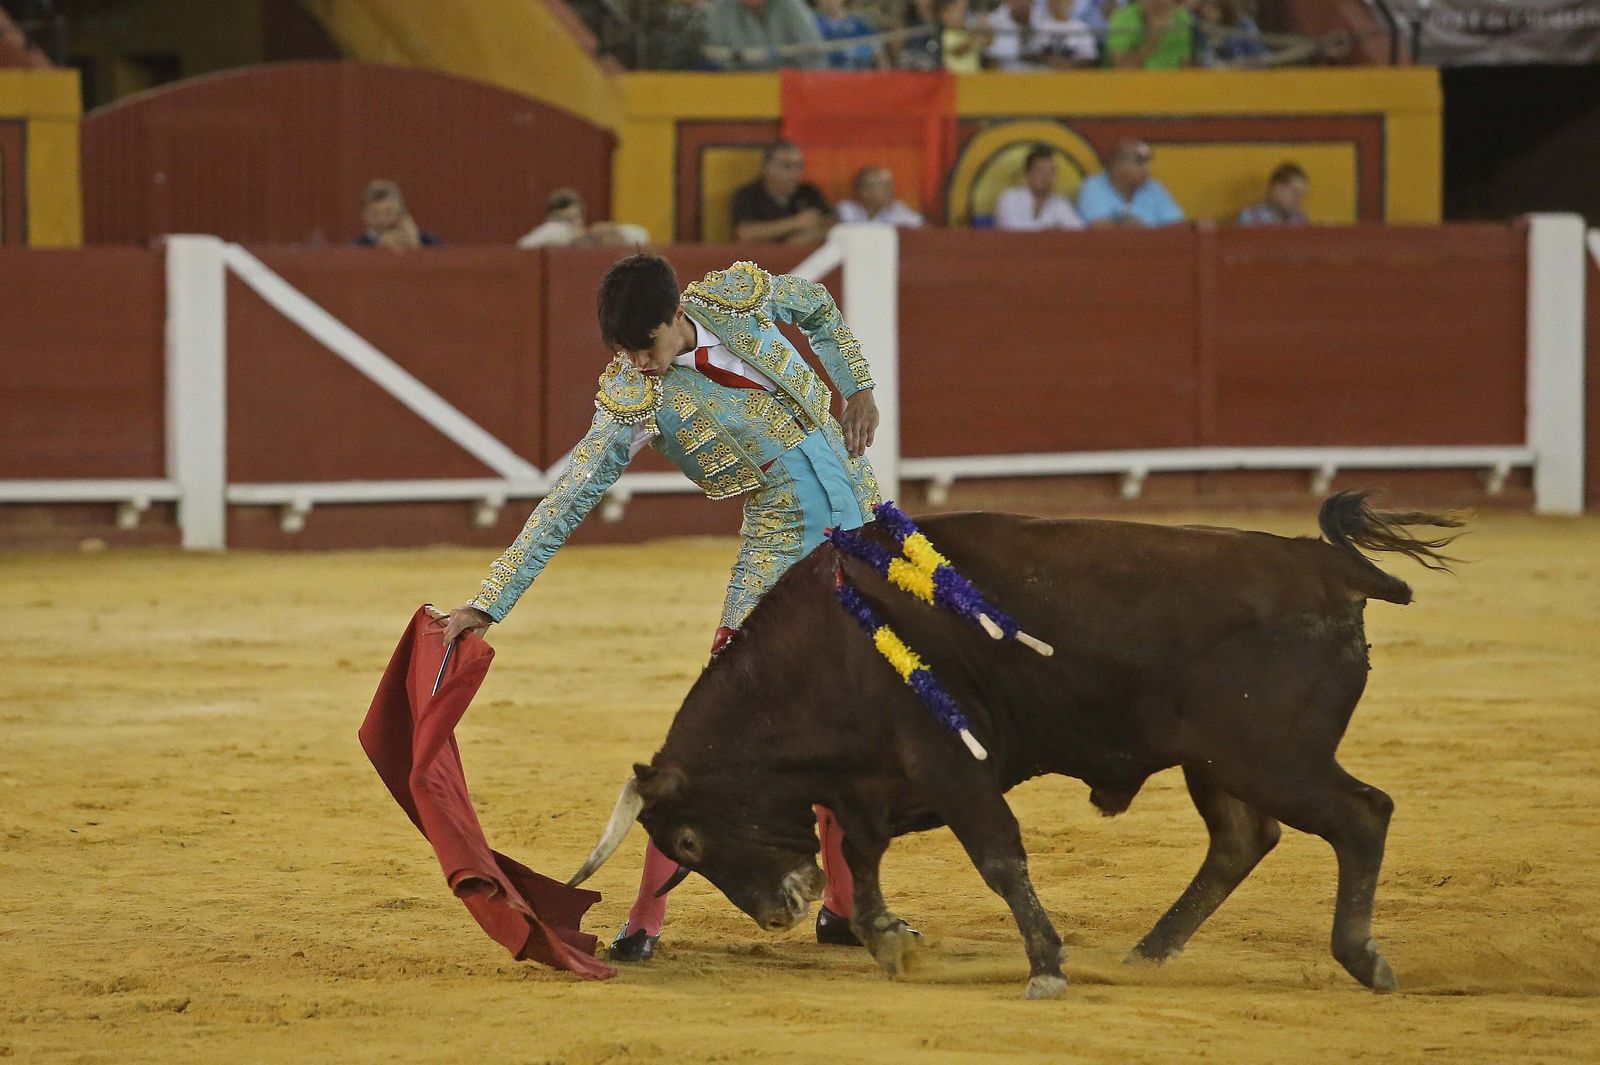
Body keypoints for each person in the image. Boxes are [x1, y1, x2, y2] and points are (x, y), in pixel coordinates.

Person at [441, 254, 883, 962]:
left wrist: (856, 386)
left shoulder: (735, 299)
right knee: (710, 744)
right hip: (778, 555)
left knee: (858, 727)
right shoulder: (633, 397)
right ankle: (644, 921)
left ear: (678, 315)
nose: (639, 365)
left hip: (867, 532)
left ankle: (845, 907)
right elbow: (569, 498)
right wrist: (490, 600)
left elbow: (818, 308)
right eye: (624, 352)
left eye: (647, 347)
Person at [731, 141, 832, 244]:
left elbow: (831, 223)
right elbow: (746, 233)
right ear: (766, 167)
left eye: (799, 166)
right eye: (786, 166)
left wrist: (809, 236)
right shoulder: (748, 194)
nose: (794, 173)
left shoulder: (809, 191)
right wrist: (796, 223)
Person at [1076, 138, 1185, 227]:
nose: (1147, 168)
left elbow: (1177, 226)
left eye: (1148, 162)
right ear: (1117, 164)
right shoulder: (1093, 186)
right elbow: (1101, 228)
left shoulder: (1154, 188)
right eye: (1140, 162)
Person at [705, 0, 827, 69]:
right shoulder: (720, 10)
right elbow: (716, 59)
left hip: (790, 92)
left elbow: (814, 57)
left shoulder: (792, 6)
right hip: (738, 92)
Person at [516, 189, 650, 249]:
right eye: (566, 219)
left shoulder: (596, 236)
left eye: (575, 218)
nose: (573, 223)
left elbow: (642, 235)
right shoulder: (552, 232)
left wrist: (611, 231)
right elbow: (524, 248)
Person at [994, 144, 1085, 231]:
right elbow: (1011, 228)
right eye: (1041, 172)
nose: (1047, 178)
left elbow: (1078, 230)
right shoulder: (1010, 197)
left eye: (1051, 172)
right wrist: (1050, 228)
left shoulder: (1059, 202)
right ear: (1028, 173)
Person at [353, 180, 440, 252]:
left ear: (401, 213)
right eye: (374, 214)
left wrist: (417, 246)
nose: (382, 220)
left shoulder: (428, 240)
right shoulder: (355, 247)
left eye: (388, 213)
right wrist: (378, 250)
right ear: (363, 215)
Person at [1106, 0, 1194, 69]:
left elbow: (1185, 62)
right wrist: (1153, 38)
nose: (1158, 2)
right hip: (1135, 83)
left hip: (1173, 83)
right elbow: (1122, 67)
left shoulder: (1182, 18)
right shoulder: (1123, 20)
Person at [835, 166, 925, 227]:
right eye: (884, 186)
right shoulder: (845, 210)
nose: (891, 190)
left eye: (891, 185)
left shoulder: (897, 208)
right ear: (864, 191)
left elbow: (924, 230)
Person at [1193, 0, 1266, 67]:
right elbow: (1205, 60)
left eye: (1211, 7)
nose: (1205, 10)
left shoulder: (1244, 26)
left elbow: (1260, 57)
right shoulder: (1199, 27)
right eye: (1205, 6)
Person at [814, 0, 881, 69]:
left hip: (860, 72)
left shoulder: (858, 21)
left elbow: (876, 49)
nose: (830, 2)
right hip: (829, 72)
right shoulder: (813, 23)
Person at [1237, 162, 1309, 225]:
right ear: (1277, 188)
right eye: (1295, 192)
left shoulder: (1300, 220)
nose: (1298, 199)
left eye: (1301, 194)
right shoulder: (1250, 218)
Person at [1032, 0, 1099, 68]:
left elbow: (1090, 58)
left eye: (1061, 1)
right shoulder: (1040, 28)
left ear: (1070, 3)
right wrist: (1049, 60)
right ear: (1047, 4)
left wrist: (1068, 63)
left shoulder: (1081, 28)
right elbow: (1033, 55)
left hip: (1072, 75)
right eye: (1053, 2)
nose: (1057, 5)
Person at [982, 0, 1041, 70]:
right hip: (1005, 76)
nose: (1022, 3)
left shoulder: (1043, 20)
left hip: (1041, 76)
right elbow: (988, 59)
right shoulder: (991, 23)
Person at [937, 0, 987, 73]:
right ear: (945, 16)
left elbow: (988, 42)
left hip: (974, 77)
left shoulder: (966, 33)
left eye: (961, 13)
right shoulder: (946, 34)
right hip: (956, 79)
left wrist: (985, 27)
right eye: (955, 13)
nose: (960, 16)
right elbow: (959, 50)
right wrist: (975, 32)